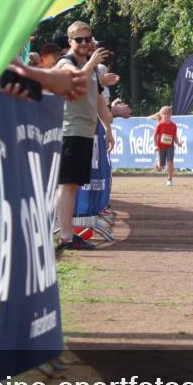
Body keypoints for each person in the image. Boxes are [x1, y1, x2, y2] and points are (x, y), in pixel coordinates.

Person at [54, 21, 115, 253]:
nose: (84, 43)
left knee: (74, 183)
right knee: (67, 184)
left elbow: (98, 98)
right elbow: (76, 77)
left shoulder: (89, 67)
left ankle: (68, 234)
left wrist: (108, 128)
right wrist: (92, 63)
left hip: (86, 131)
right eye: (78, 39)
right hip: (70, 130)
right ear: (70, 42)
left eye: (87, 39)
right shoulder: (65, 62)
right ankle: (66, 236)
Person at [153, 106, 183, 186]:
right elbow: (155, 136)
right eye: (164, 114)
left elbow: (174, 136)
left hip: (170, 146)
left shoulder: (174, 125)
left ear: (171, 115)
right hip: (161, 147)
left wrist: (178, 143)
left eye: (168, 114)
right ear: (161, 115)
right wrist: (156, 145)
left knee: (170, 162)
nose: (166, 115)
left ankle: (169, 179)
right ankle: (158, 163)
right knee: (161, 166)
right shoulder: (159, 125)